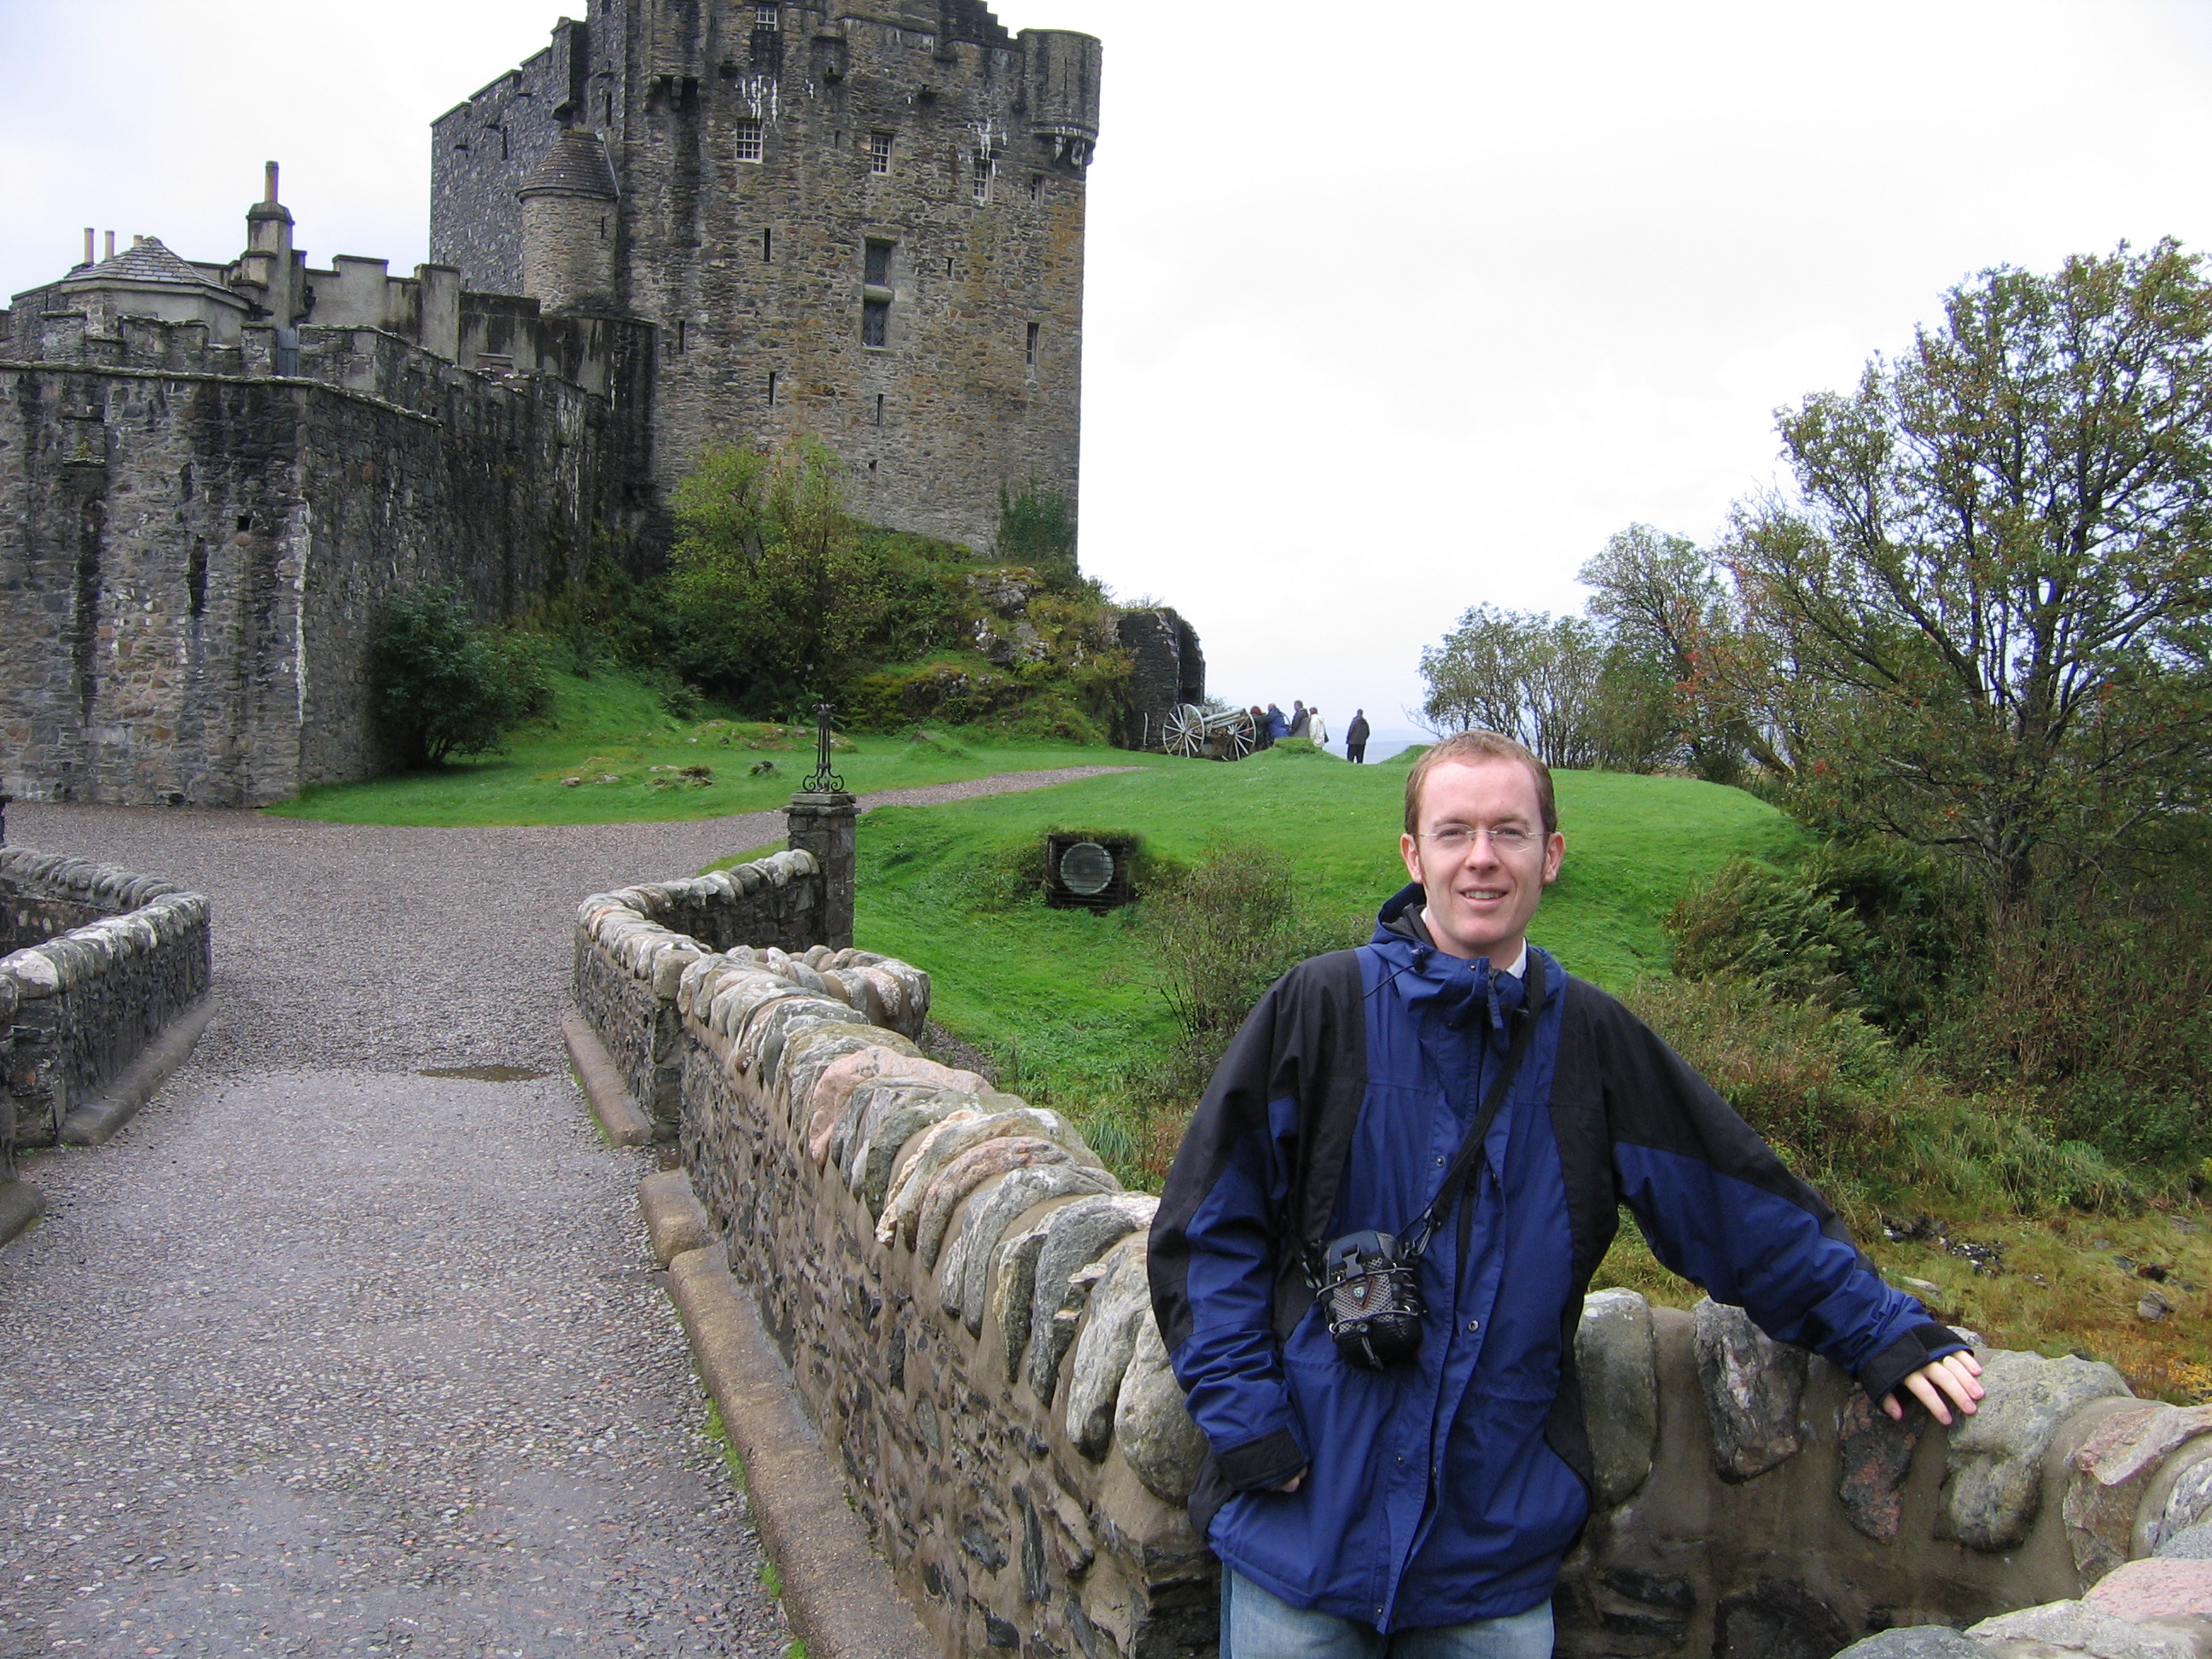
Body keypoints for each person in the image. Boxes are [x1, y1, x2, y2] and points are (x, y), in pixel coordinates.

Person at [1149, 729, 1983, 1658]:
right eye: (1454, 831)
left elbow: (1731, 1204)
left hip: (1491, 1545)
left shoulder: (1589, 1041)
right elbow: (1206, 1232)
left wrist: (1878, 1327)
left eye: (1509, 832)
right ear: (1412, 855)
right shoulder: (1321, 1008)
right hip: (1301, 1530)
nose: (1481, 859)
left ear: (1550, 854)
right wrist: (1255, 1431)